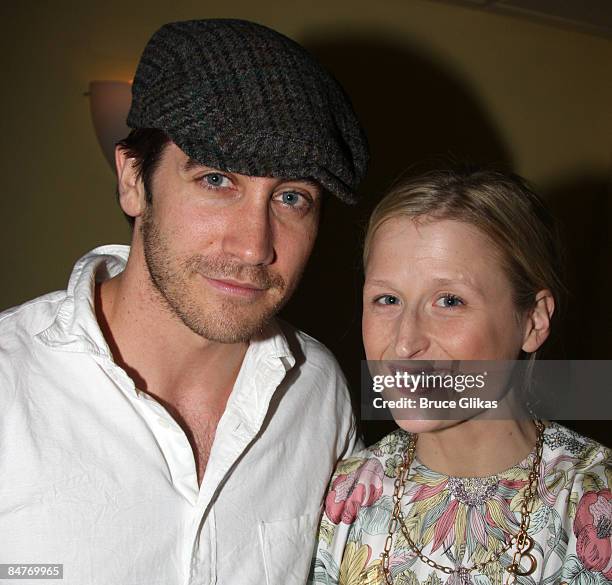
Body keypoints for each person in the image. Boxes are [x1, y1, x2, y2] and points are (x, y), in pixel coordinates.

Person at [0, 19, 368, 585]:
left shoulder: (318, 390)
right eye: (216, 180)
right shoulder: (10, 384)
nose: (254, 245)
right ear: (133, 181)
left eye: (292, 197)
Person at [310, 168, 611, 584]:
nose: (404, 343)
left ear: (533, 321)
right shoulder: (346, 495)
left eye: (449, 301)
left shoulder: (595, 499)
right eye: (387, 299)